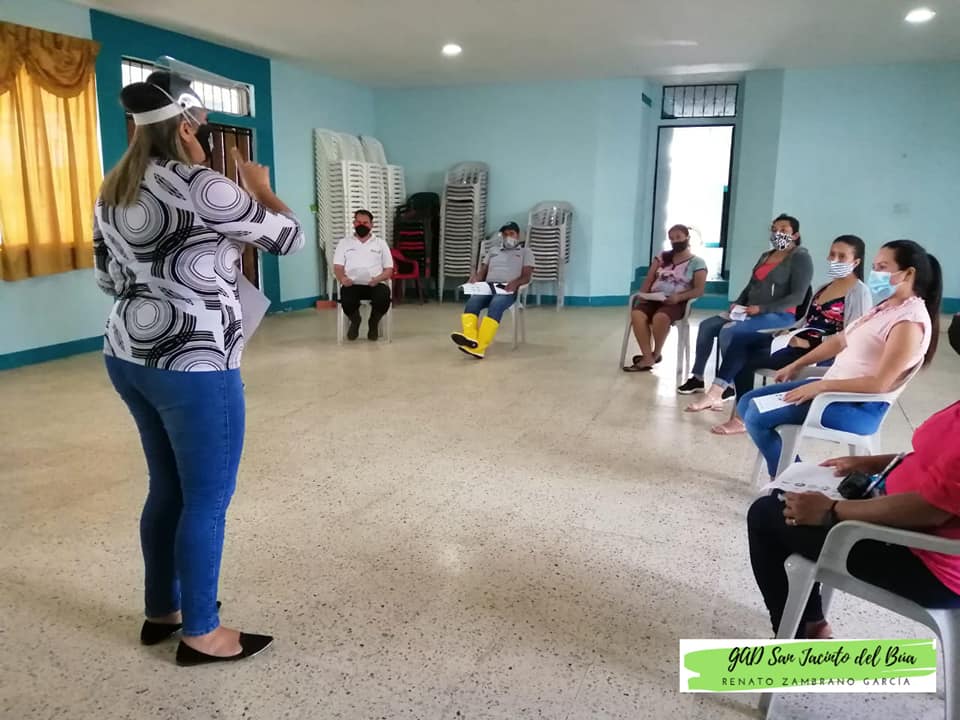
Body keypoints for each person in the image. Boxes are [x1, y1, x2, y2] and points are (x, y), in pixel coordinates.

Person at [94, 73, 304, 665]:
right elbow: (288, 238)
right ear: (186, 128)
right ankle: (202, 633)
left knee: (167, 487)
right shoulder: (202, 184)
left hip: (128, 352)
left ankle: (162, 611)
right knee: (207, 499)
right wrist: (261, 190)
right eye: (203, 125)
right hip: (195, 361)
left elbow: (108, 279)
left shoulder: (113, 188)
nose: (205, 134)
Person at [747, 342, 960, 638]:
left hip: (927, 561)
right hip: (900, 513)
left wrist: (833, 511)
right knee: (785, 497)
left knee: (766, 515)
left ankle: (798, 635)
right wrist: (872, 462)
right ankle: (812, 622)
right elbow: (935, 459)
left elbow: (930, 509)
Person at [739, 239, 942, 480]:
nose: (875, 273)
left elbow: (880, 384)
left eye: (883, 267)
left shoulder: (909, 323)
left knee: (757, 414)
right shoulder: (886, 307)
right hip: (833, 389)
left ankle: (788, 479)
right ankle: (795, 473)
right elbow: (838, 341)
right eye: (874, 266)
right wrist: (796, 365)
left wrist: (821, 386)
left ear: (908, 273)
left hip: (855, 406)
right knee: (747, 402)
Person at [686, 235, 873, 427]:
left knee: (746, 360)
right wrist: (787, 332)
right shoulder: (824, 287)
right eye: (832, 254)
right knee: (741, 338)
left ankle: (740, 417)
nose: (835, 260)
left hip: (817, 351)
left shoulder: (859, 292)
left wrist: (809, 343)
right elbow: (805, 321)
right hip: (796, 340)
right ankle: (717, 392)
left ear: (856, 262)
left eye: (842, 256)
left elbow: (852, 336)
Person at [677, 214, 814, 397]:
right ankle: (697, 377)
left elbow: (798, 297)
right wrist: (738, 303)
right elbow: (751, 285)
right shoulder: (766, 256)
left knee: (729, 331)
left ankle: (729, 383)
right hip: (749, 311)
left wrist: (761, 309)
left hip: (780, 315)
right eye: (774, 230)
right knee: (707, 326)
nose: (777, 233)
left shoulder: (800, 257)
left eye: (783, 230)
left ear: (795, 235)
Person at [622, 224, 707, 372]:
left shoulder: (697, 262)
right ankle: (647, 357)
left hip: (676, 302)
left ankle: (656, 353)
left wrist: (679, 297)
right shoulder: (662, 257)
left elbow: (699, 290)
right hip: (654, 298)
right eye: (672, 238)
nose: (675, 241)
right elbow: (649, 279)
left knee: (660, 317)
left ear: (687, 238)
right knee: (637, 314)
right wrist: (642, 295)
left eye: (678, 237)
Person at [450, 221, 534, 359]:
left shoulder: (526, 252)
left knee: (496, 304)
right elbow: (483, 271)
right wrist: (475, 278)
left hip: (507, 288)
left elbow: (526, 276)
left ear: (518, 235)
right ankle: (470, 338)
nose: (508, 237)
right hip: (488, 287)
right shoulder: (493, 251)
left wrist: (515, 283)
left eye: (511, 233)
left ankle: (480, 347)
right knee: (473, 302)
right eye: (505, 234)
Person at [334, 210, 394, 341]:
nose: (361, 225)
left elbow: (389, 269)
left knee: (383, 295)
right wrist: (343, 278)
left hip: (375, 283)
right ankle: (355, 320)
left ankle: (374, 322)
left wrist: (378, 279)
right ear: (354, 223)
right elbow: (338, 267)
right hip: (352, 284)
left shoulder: (381, 243)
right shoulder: (344, 243)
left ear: (371, 225)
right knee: (346, 298)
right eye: (358, 222)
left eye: (365, 223)